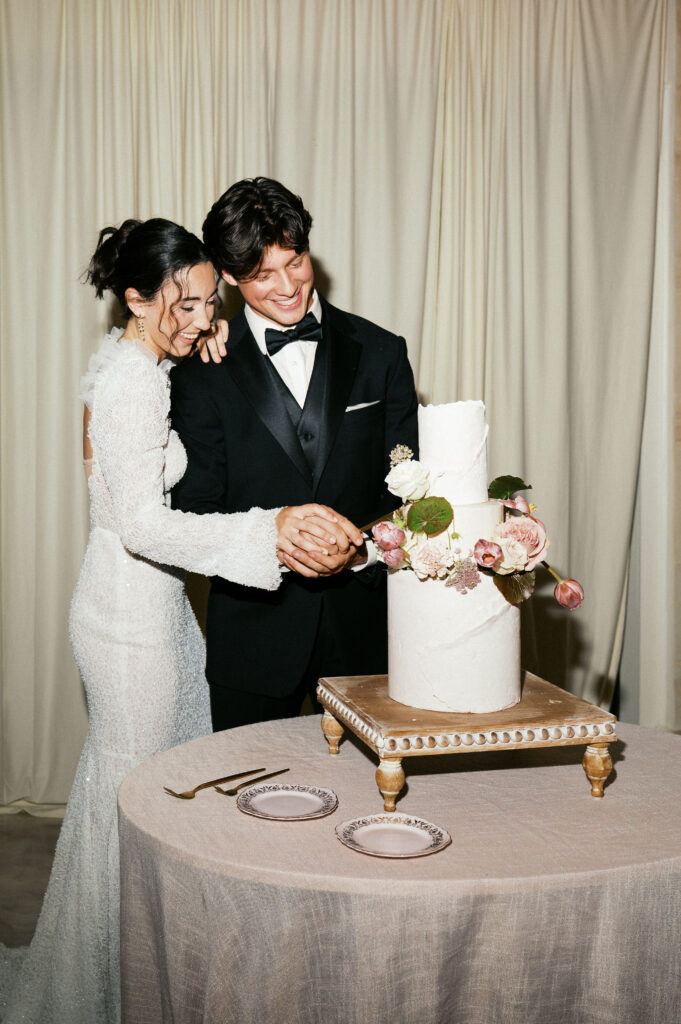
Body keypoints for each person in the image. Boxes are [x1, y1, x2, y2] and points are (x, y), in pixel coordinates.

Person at [0, 218, 360, 1024]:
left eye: (208, 300)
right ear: (134, 296)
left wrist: (194, 340)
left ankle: (136, 966)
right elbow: (143, 526)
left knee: (145, 786)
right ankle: (106, 988)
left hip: (146, 603)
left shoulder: (136, 360)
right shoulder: (133, 380)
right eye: (185, 303)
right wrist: (265, 530)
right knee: (132, 796)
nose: (202, 318)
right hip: (127, 612)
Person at [170, 177, 419, 731]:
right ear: (229, 276)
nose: (287, 287)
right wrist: (275, 540)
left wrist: (360, 552)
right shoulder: (201, 372)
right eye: (262, 276)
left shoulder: (382, 352)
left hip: (367, 636)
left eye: (296, 261)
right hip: (253, 640)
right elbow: (193, 510)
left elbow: (412, 489)